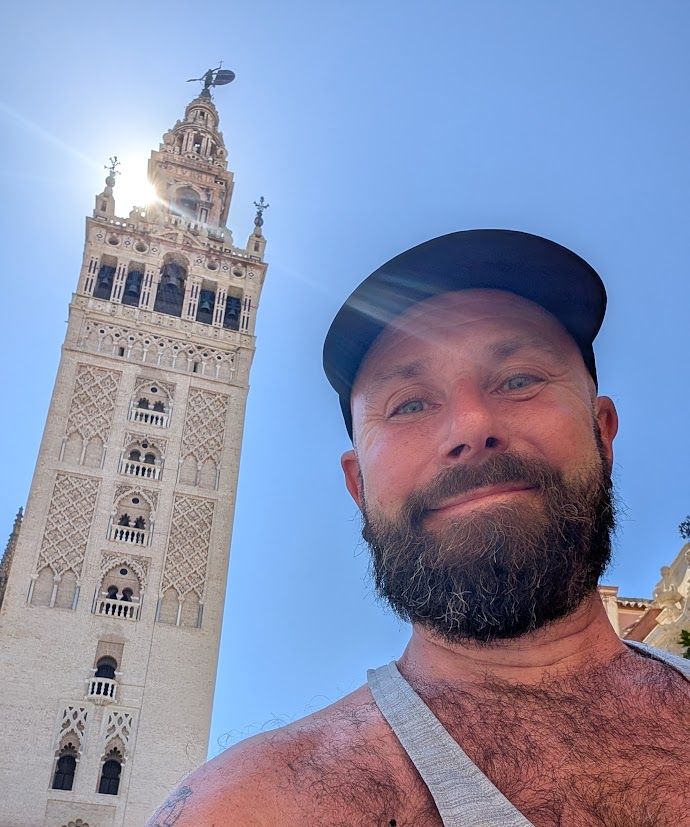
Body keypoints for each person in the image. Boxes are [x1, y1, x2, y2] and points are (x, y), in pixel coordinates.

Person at [148, 230, 690, 827]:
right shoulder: (248, 810)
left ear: (603, 432)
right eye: (409, 404)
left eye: (518, 379)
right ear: (359, 488)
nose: (471, 426)